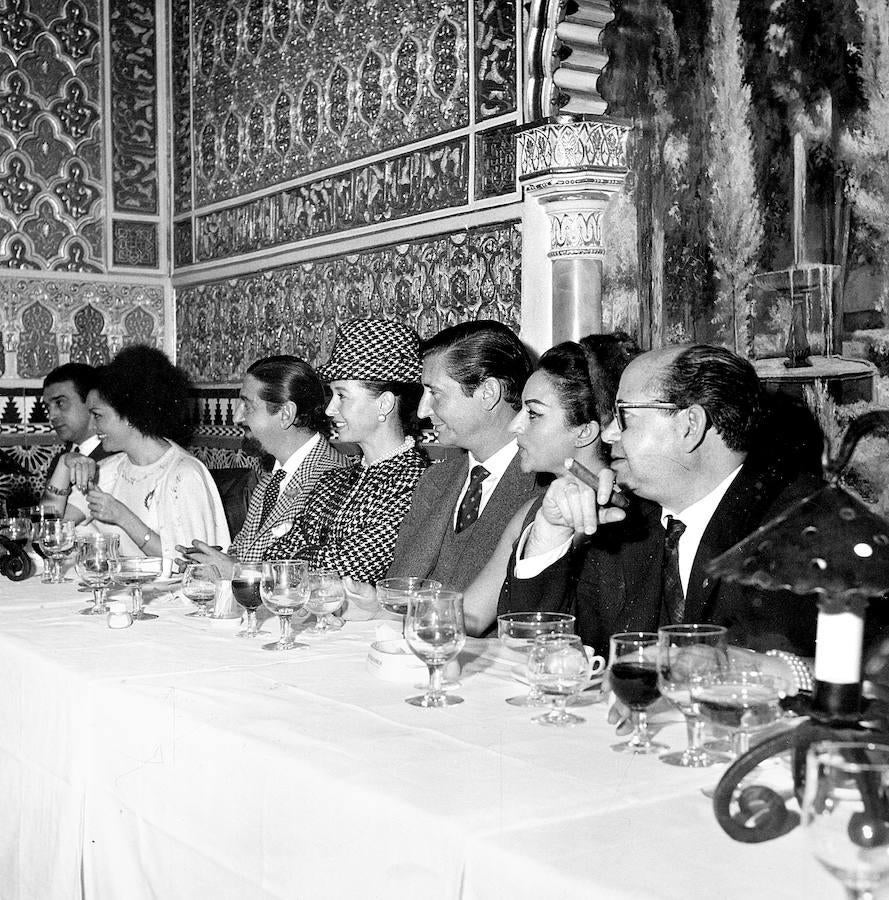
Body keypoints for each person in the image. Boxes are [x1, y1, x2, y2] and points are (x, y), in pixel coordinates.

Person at [505, 343, 826, 676]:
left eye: (624, 416)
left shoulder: (802, 526)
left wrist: (754, 668)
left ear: (690, 425)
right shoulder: (626, 523)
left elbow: (867, 677)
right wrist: (550, 530)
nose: (610, 432)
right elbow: (544, 649)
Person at [461, 333, 639, 635]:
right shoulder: (533, 512)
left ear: (584, 432)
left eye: (533, 414)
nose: (514, 425)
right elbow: (470, 616)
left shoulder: (628, 521)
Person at [385, 320, 538, 593]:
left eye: (435, 393)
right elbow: (401, 589)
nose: (422, 411)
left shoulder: (543, 487)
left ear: (487, 393)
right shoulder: (436, 480)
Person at [45, 345, 229, 571]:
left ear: (131, 415)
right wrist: (65, 464)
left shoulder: (183, 474)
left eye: (98, 415)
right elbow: (51, 534)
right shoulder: (109, 470)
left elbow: (193, 566)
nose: (93, 425)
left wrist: (123, 517)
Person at [273, 319, 429, 584]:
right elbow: (276, 556)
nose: (330, 409)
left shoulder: (416, 483)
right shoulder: (333, 481)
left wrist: (303, 555)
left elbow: (352, 570)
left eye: (342, 395)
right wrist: (318, 557)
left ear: (385, 404)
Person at [179, 355, 348, 577]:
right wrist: (210, 564)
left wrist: (235, 572)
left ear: (286, 414)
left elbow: (318, 582)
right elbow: (245, 556)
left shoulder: (333, 479)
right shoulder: (271, 480)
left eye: (248, 406)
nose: (238, 417)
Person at [41, 363, 109, 496]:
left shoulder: (113, 456)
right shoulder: (61, 459)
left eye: (60, 403)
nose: (52, 416)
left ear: (90, 401)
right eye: (48, 407)